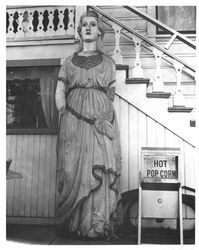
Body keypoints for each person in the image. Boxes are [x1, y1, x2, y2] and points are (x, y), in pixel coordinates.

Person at [55, 10, 122, 239]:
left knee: (101, 164)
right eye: (84, 24)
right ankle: (75, 223)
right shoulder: (69, 62)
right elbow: (61, 88)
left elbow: (110, 94)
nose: (88, 27)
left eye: (93, 24)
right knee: (72, 168)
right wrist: (61, 103)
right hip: (73, 120)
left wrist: (101, 115)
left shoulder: (108, 63)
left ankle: (96, 224)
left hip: (99, 121)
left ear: (99, 31)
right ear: (80, 31)